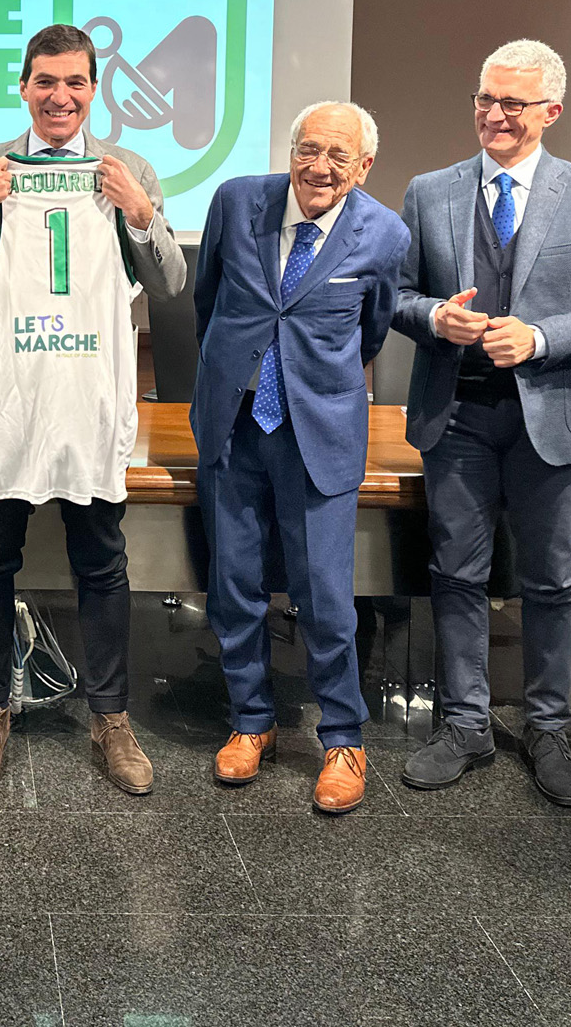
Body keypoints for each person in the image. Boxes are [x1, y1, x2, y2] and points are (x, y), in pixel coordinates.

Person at [0, 22, 186, 796]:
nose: (60, 96)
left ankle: (111, 716)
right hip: (12, 396)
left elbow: (169, 283)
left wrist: (141, 213)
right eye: (46, 81)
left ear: (94, 90)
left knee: (102, 559)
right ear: (23, 86)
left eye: (75, 83)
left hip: (87, 395)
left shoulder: (128, 167)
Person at [393, 39, 571, 808]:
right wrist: (436, 316)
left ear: (551, 112)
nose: (494, 115)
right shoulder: (429, 192)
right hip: (458, 413)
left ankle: (547, 729)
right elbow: (398, 297)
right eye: (484, 99)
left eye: (513, 104)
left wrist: (539, 337)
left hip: (551, 417)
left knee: (551, 580)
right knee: (456, 573)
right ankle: (465, 726)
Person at [193, 102, 407, 812]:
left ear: (364, 167)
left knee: (323, 596)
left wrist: (311, 378)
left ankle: (342, 736)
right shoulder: (237, 200)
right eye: (307, 150)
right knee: (235, 585)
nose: (318, 167)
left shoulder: (385, 232)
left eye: (336, 156)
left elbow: (371, 330)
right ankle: (251, 723)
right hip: (234, 422)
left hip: (319, 430)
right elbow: (207, 301)